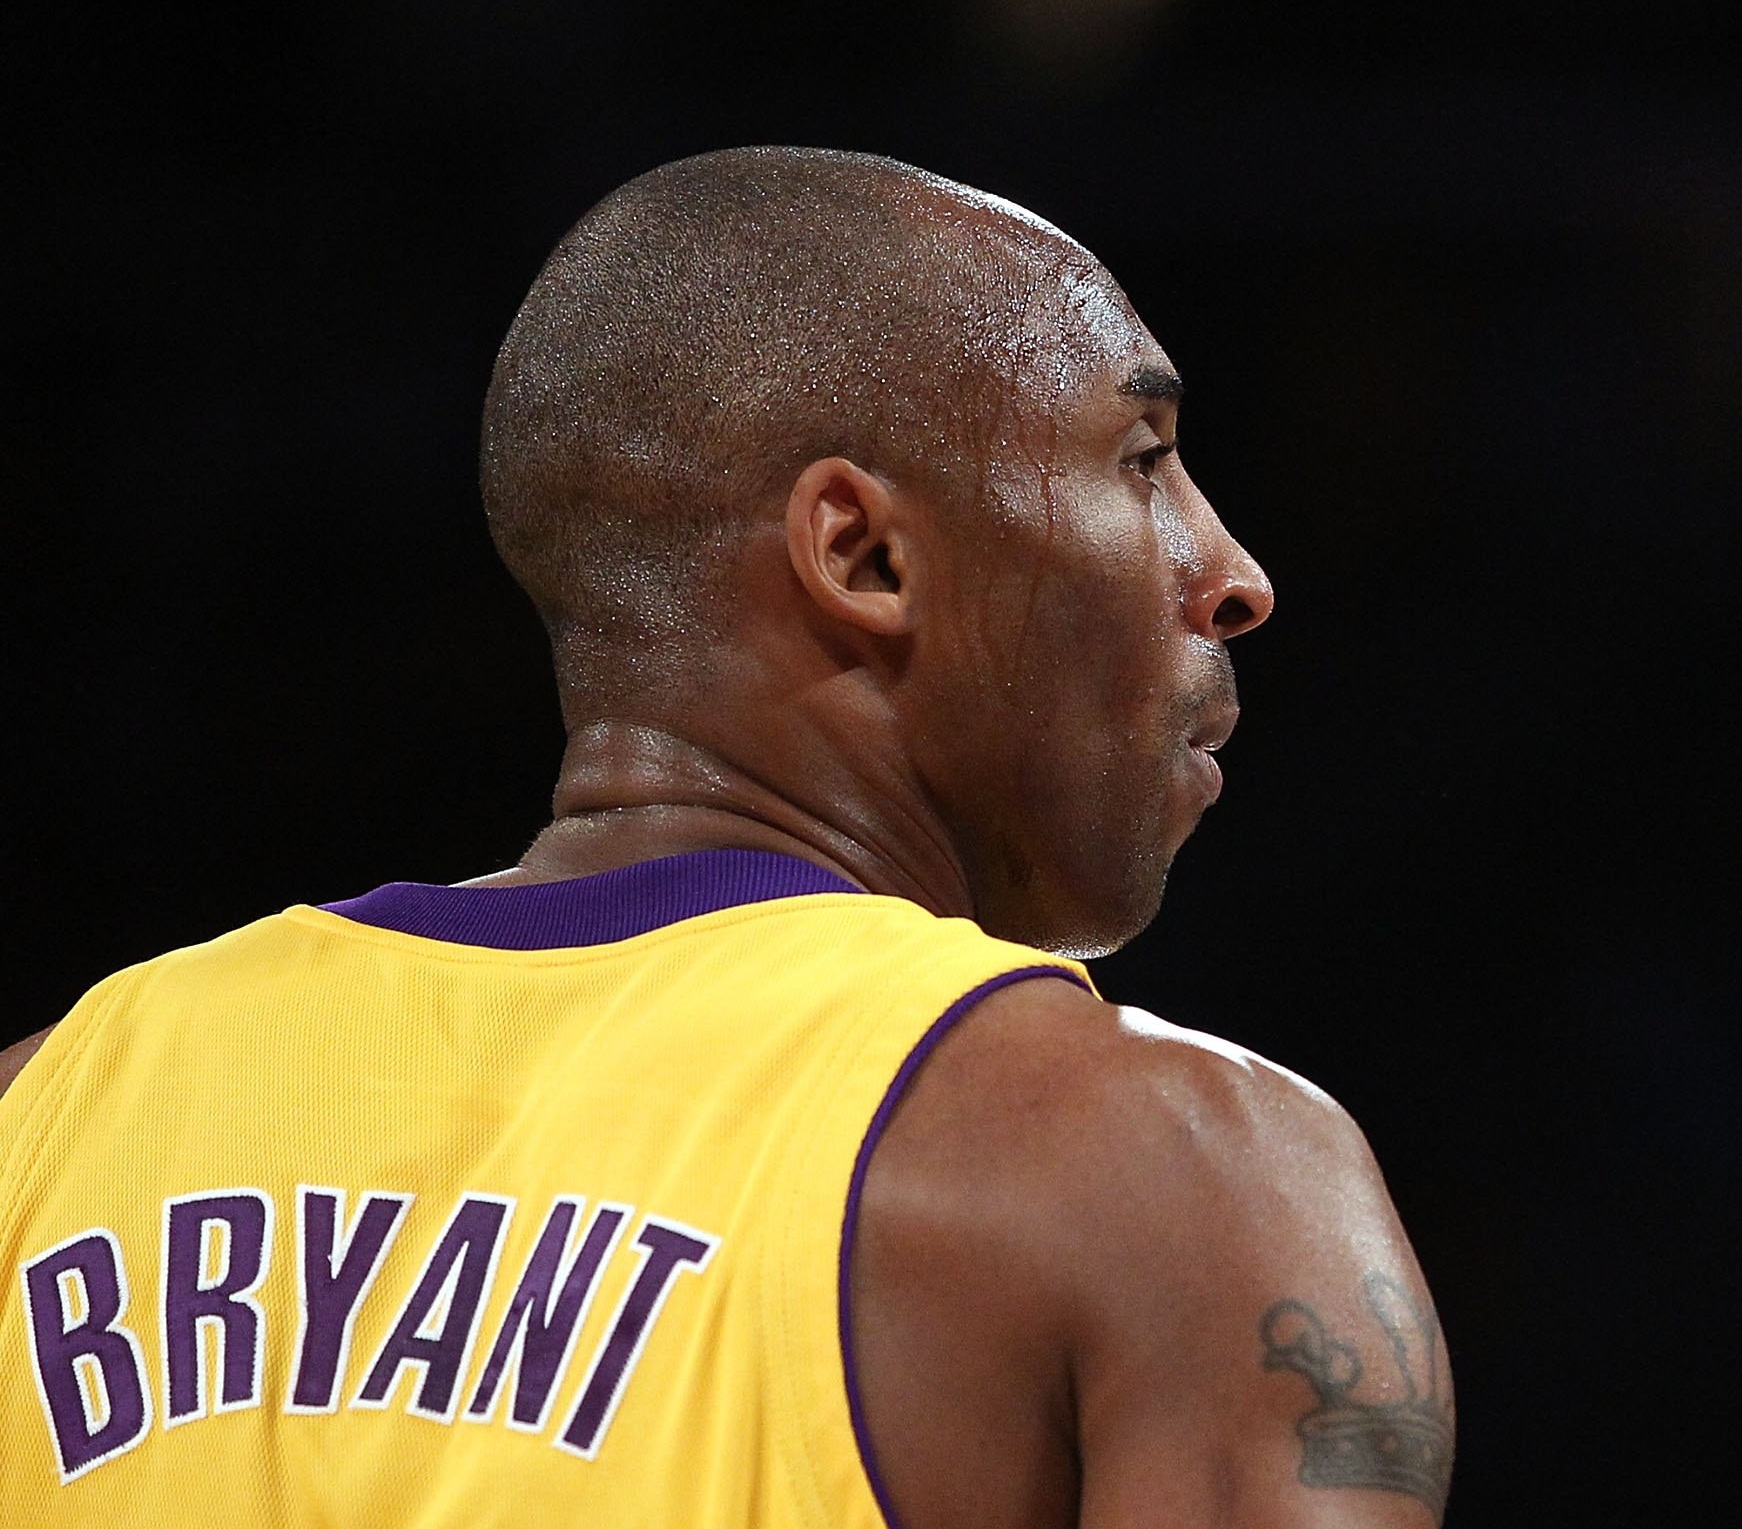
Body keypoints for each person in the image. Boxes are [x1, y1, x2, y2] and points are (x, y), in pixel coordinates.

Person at [0, 148, 1452, 1526]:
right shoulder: (1175, 1173)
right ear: (864, 556)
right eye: (1144, 459)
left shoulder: (46, 1122)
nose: (1233, 575)